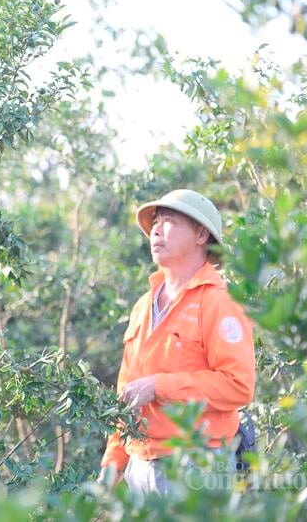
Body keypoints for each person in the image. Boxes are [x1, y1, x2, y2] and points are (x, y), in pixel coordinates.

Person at [97, 189, 255, 497]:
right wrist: (110, 469)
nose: (156, 229)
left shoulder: (218, 304)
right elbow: (126, 394)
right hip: (138, 470)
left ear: (200, 234)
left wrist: (160, 386)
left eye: (169, 221)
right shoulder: (143, 306)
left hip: (196, 468)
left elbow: (238, 385)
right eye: (155, 222)